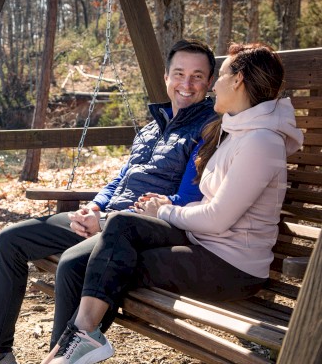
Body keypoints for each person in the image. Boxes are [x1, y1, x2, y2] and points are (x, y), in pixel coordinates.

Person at [40, 43, 304, 364]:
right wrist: (163, 206)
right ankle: (81, 340)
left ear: (238, 81)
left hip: (232, 269)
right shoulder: (239, 131)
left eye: (219, 76)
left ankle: (76, 341)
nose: (214, 85)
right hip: (204, 249)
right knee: (121, 230)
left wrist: (164, 210)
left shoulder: (261, 141)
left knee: (100, 265)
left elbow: (218, 218)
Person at [0, 39, 218, 364]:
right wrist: (96, 207)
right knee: (10, 241)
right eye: (179, 73)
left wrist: (105, 222)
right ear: (166, 77)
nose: (187, 84)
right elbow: (120, 178)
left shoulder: (207, 128)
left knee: (73, 262)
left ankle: (60, 359)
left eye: (198, 76)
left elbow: (187, 198)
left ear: (210, 82)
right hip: (108, 217)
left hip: (145, 230)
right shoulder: (148, 129)